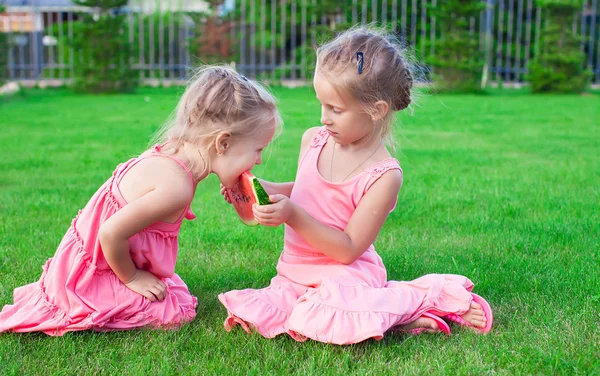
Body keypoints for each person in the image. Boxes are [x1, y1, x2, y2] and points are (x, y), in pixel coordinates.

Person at [219, 28, 493, 345]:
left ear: (375, 110)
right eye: (321, 104)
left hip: (346, 276)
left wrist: (292, 215)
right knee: (274, 311)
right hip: (295, 274)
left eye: (335, 109)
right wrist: (258, 189)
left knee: (333, 309)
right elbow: (306, 190)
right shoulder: (314, 140)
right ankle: (388, 319)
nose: (324, 118)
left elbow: (348, 249)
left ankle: (420, 299)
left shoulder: (383, 175)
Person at [0, 66, 281, 336]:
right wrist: (132, 278)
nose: (257, 160)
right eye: (257, 150)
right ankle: (100, 295)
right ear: (223, 143)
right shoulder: (176, 186)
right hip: (94, 270)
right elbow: (109, 233)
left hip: (105, 258)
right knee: (174, 313)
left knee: (171, 292)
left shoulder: (175, 152)